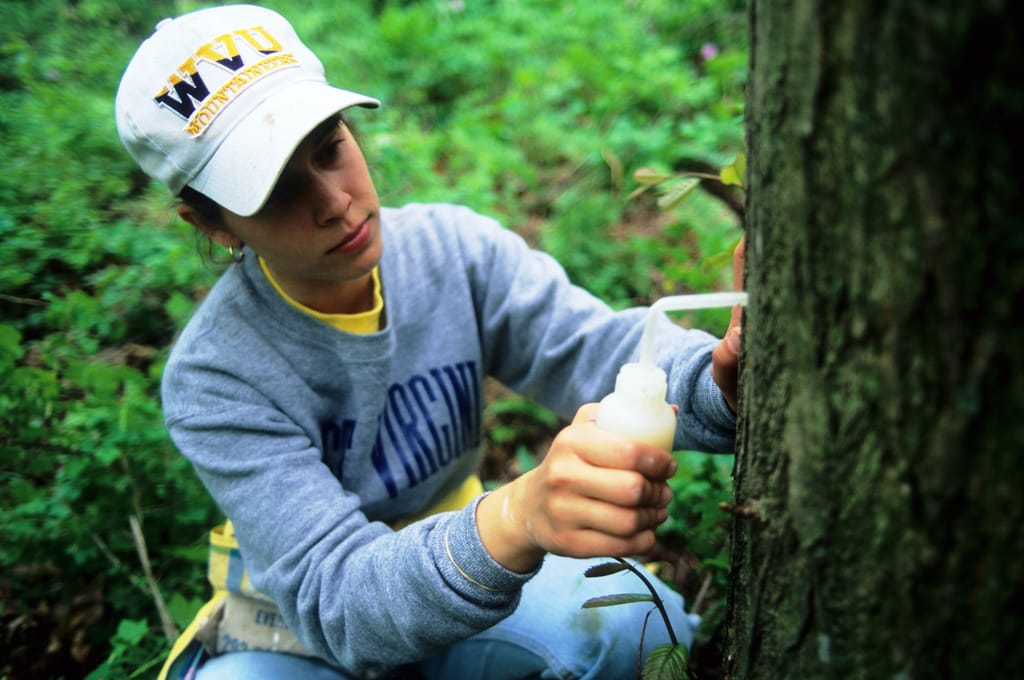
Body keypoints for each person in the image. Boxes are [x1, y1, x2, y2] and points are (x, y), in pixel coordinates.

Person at [114, 4, 744, 679]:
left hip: (467, 572)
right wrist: (519, 515)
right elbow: (340, 600)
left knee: (640, 631)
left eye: (330, 149)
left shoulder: (453, 254)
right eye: (275, 190)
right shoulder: (218, 375)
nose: (334, 201)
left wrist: (722, 382)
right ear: (212, 224)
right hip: (301, 640)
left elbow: (598, 349)